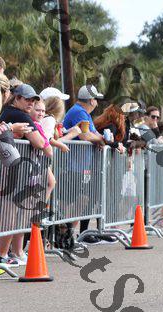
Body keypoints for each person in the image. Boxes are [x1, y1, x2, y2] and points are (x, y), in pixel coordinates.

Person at [0, 83, 52, 268]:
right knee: (10, 213)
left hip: (16, 169)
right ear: (17, 98)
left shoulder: (11, 112)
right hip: (12, 171)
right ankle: (3, 254)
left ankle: (14, 252)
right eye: (27, 99)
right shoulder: (19, 115)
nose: (31, 103)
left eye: (33, 100)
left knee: (17, 212)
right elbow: (40, 143)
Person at [62, 84, 108, 244]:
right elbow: (85, 135)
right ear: (91, 100)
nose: (96, 102)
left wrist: (100, 138)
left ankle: (69, 235)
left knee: (81, 199)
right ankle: (64, 235)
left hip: (81, 166)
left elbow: (93, 133)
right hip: (72, 166)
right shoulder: (79, 112)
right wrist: (101, 139)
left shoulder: (84, 113)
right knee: (71, 201)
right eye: (95, 99)